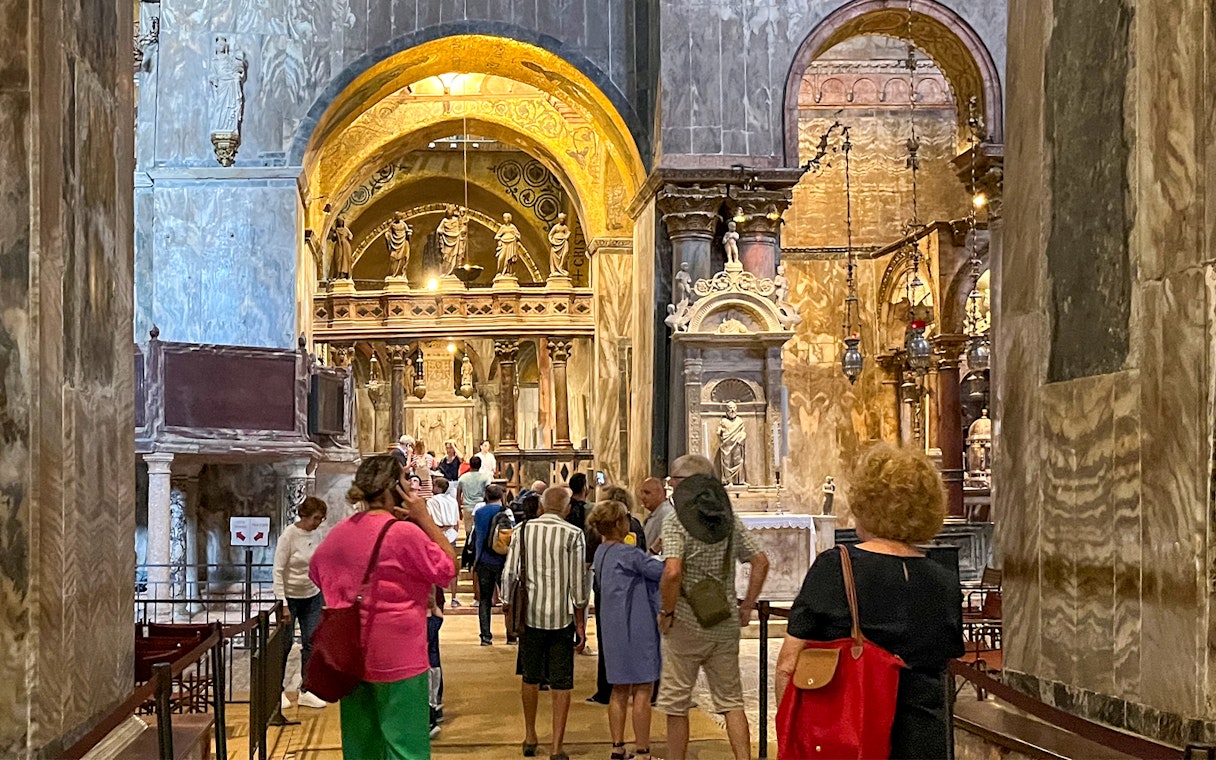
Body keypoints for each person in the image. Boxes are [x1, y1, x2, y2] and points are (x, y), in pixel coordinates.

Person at [775, 444, 963, 759]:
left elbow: (787, 665)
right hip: (925, 738)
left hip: (852, 736)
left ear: (866, 502)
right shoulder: (942, 579)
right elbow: (945, 661)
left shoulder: (836, 566)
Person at [308, 456, 457, 759]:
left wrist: (346, 595)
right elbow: (448, 568)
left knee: (362, 749)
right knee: (405, 749)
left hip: (351, 653)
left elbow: (317, 571)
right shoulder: (404, 533)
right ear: (395, 489)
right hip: (399, 655)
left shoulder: (342, 530)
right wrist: (424, 519)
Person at [656, 472, 770, 760]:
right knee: (732, 702)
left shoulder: (675, 522)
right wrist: (747, 605)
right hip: (724, 621)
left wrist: (667, 612)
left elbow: (671, 572)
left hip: (684, 623)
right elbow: (760, 561)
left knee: (677, 704)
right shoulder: (728, 523)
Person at [502, 487, 590, 760]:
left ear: (541, 505)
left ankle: (530, 735)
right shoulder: (573, 534)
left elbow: (509, 574)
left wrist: (507, 607)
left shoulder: (523, 531)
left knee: (530, 677)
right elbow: (578, 584)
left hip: (529, 617)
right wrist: (580, 622)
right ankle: (556, 747)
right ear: (566, 508)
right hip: (561, 617)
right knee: (562, 681)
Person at [589, 500, 664, 760]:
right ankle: (642, 749)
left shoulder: (601, 551)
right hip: (636, 626)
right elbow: (659, 570)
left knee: (619, 690)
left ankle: (618, 746)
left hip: (612, 627)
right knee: (643, 688)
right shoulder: (628, 553)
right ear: (621, 523)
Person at [585, 485, 646, 705]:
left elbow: (589, 557)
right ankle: (634, 687)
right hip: (634, 593)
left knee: (608, 642)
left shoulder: (600, 533)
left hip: (609, 595)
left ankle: (608, 689)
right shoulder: (637, 525)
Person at [274, 496, 328, 710]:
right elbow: (278, 570)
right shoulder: (289, 536)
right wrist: (283, 602)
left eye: (321, 519)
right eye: (316, 518)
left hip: (312, 595)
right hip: (291, 597)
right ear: (304, 515)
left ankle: (307, 689)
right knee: (285, 645)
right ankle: (278, 690)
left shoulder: (316, 534)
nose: (318, 523)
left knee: (311, 643)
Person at [472, 485, 512, 645]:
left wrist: (476, 559)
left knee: (485, 600)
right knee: (508, 598)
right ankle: (511, 634)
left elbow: (479, 537)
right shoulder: (506, 512)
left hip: (485, 560)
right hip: (503, 560)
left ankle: (486, 636)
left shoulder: (480, 512)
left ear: (486, 496)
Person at [428, 476, 461, 606]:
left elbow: (429, 519)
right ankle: (454, 597)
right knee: (452, 565)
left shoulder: (431, 501)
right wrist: (455, 533)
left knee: (435, 565)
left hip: (437, 533)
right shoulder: (453, 501)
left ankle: (438, 596)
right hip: (452, 533)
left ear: (439, 488)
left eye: (434, 485)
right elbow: (457, 520)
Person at [457, 455, 491, 540]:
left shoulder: (463, 478)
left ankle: (469, 548)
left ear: (470, 465)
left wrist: (459, 509)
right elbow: (488, 492)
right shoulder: (485, 478)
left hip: (468, 507)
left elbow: (458, 495)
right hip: (481, 506)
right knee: (481, 530)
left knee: (468, 531)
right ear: (480, 465)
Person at [638, 478, 674, 555]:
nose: (643, 497)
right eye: (642, 493)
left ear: (660, 494)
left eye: (647, 493)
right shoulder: (656, 513)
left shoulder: (666, 514)